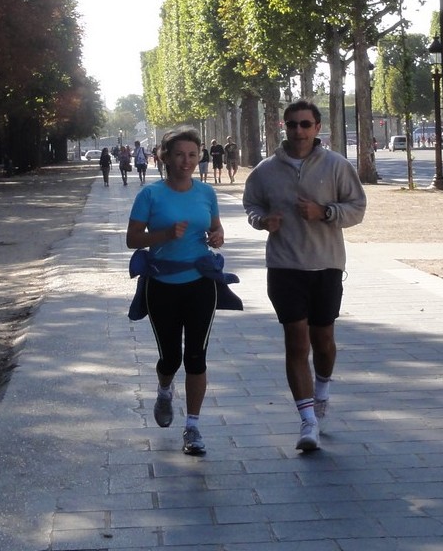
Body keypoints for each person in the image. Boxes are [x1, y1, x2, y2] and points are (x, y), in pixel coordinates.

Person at [243, 100, 366, 451]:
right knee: (296, 341)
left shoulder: (337, 165)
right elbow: (251, 204)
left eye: (305, 124)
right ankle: (307, 421)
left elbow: (357, 208)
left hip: (326, 265)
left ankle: (323, 386)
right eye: (292, 124)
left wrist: (325, 211)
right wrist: (261, 221)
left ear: (317, 127)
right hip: (284, 267)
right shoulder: (266, 170)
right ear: (283, 127)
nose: (298, 130)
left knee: (323, 341)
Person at [126, 126, 227, 455]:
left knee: (196, 357)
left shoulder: (206, 193)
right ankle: (165, 389)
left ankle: (193, 427)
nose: (187, 161)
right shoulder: (150, 195)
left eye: (193, 155)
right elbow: (132, 239)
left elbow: (215, 227)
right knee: (170, 357)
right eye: (180, 155)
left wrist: (217, 237)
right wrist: (164, 235)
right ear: (165, 157)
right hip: (162, 286)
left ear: (200, 158)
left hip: (200, 283)